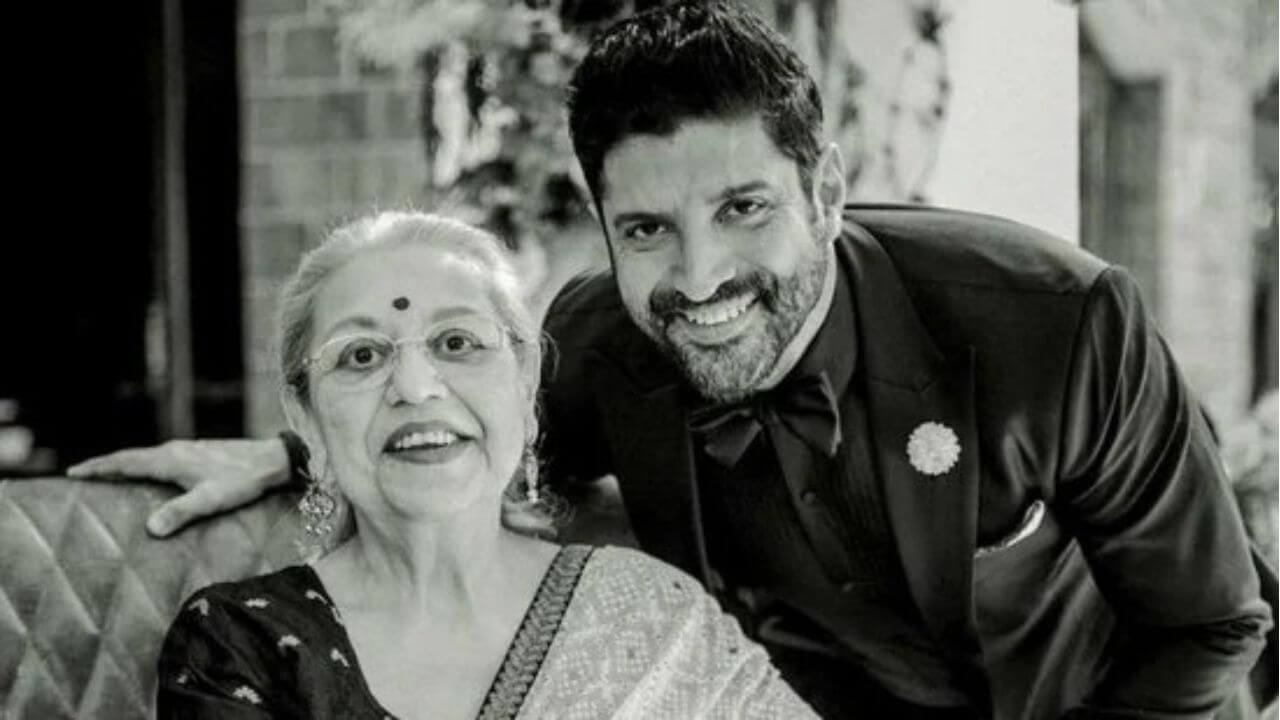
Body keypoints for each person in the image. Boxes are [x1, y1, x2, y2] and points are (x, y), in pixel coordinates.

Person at [73, 2, 1275, 718]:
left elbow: (1210, 627)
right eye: (646, 229)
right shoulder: (602, 341)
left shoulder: (1056, 325)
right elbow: (454, 427)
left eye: (742, 209)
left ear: (825, 191)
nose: (696, 279)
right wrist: (287, 450)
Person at [153, 211, 816, 718]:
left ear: (525, 382)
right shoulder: (241, 645)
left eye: (457, 342)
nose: (415, 387)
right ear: (305, 416)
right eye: (361, 356)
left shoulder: (649, 616)